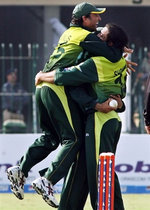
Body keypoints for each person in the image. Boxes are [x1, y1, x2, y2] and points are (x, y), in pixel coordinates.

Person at [6, 2, 135, 208]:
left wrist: (40, 75)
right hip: (60, 90)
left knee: (54, 139)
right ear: (85, 19)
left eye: (103, 33)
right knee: (74, 142)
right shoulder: (88, 41)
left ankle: (22, 169)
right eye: (95, 17)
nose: (99, 22)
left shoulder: (71, 37)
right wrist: (119, 55)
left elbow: (77, 71)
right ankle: (48, 180)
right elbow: (110, 61)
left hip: (47, 90)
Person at [34, 23, 129, 210]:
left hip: (100, 122)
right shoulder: (120, 63)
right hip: (106, 120)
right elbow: (121, 96)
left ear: (109, 44)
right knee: (82, 169)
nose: (96, 38)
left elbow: (65, 76)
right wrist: (119, 104)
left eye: (101, 36)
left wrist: (41, 76)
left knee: (100, 175)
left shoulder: (99, 63)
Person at [1, 68, 29, 133]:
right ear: (7, 76)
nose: (13, 76)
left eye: (15, 74)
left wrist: (16, 99)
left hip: (18, 113)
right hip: (8, 112)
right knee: (8, 131)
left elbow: (27, 98)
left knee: (20, 132)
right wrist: (19, 97)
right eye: (11, 74)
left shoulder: (19, 86)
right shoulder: (5, 87)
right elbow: (9, 100)